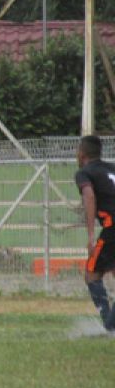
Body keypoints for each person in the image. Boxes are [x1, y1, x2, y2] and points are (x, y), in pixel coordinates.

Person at [74, 135, 115, 333]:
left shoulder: (84, 173)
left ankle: (109, 325)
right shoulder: (111, 169)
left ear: (81, 154)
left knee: (92, 274)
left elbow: (89, 196)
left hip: (112, 227)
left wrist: (90, 236)